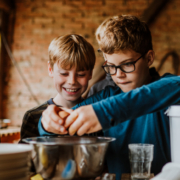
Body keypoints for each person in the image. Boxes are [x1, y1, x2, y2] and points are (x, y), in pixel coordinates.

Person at [38, 15, 180, 180]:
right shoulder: (105, 96)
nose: (118, 75)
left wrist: (106, 112)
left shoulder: (168, 90)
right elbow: (60, 126)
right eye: (111, 66)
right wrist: (48, 123)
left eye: (127, 64)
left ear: (149, 58)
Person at [20, 34, 96, 141]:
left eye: (81, 74)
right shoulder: (32, 117)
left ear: (90, 74)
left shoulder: (95, 115)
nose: (72, 81)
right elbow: (25, 156)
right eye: (64, 73)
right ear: (50, 70)